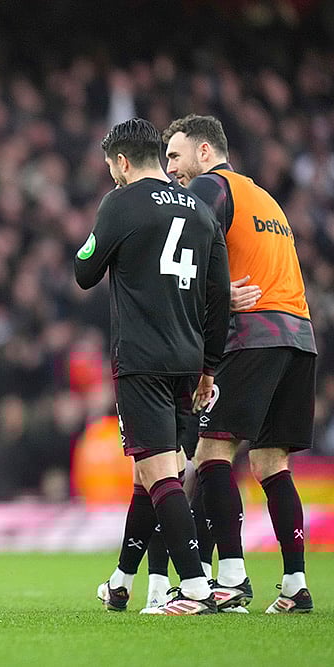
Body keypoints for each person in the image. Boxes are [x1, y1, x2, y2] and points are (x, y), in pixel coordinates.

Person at [75, 118, 230, 615]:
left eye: (111, 167)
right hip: (188, 360)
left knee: (160, 473)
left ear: (122, 162)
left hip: (142, 359)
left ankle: (196, 588)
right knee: (154, 473)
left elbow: (84, 271)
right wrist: (210, 366)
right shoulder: (201, 210)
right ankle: (122, 581)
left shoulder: (121, 202)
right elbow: (219, 296)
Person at [164, 114, 317, 614]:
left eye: (175, 155)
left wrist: (215, 296)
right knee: (271, 462)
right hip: (299, 337)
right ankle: (295, 584)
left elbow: (184, 253)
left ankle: (229, 578)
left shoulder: (210, 188)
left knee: (212, 452)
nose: (171, 169)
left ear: (205, 152)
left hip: (253, 335)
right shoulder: (265, 199)